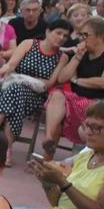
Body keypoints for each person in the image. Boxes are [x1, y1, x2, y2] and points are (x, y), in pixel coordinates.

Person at [0, 19, 70, 166]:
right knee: (15, 91)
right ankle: (7, 147)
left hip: (36, 96)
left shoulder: (62, 57)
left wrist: (22, 79)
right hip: (10, 87)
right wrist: (1, 72)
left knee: (15, 91)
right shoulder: (28, 44)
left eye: (65, 36)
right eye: (58, 33)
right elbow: (12, 65)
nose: (61, 38)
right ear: (48, 32)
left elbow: (48, 83)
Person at [39, 16, 104, 157]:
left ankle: (49, 156)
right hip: (74, 99)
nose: (81, 39)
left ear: (100, 36)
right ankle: (49, 141)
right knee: (56, 95)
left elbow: (101, 82)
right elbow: (62, 78)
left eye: (85, 35)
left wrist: (78, 81)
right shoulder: (82, 53)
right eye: (80, 35)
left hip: (97, 104)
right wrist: (77, 57)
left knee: (61, 113)